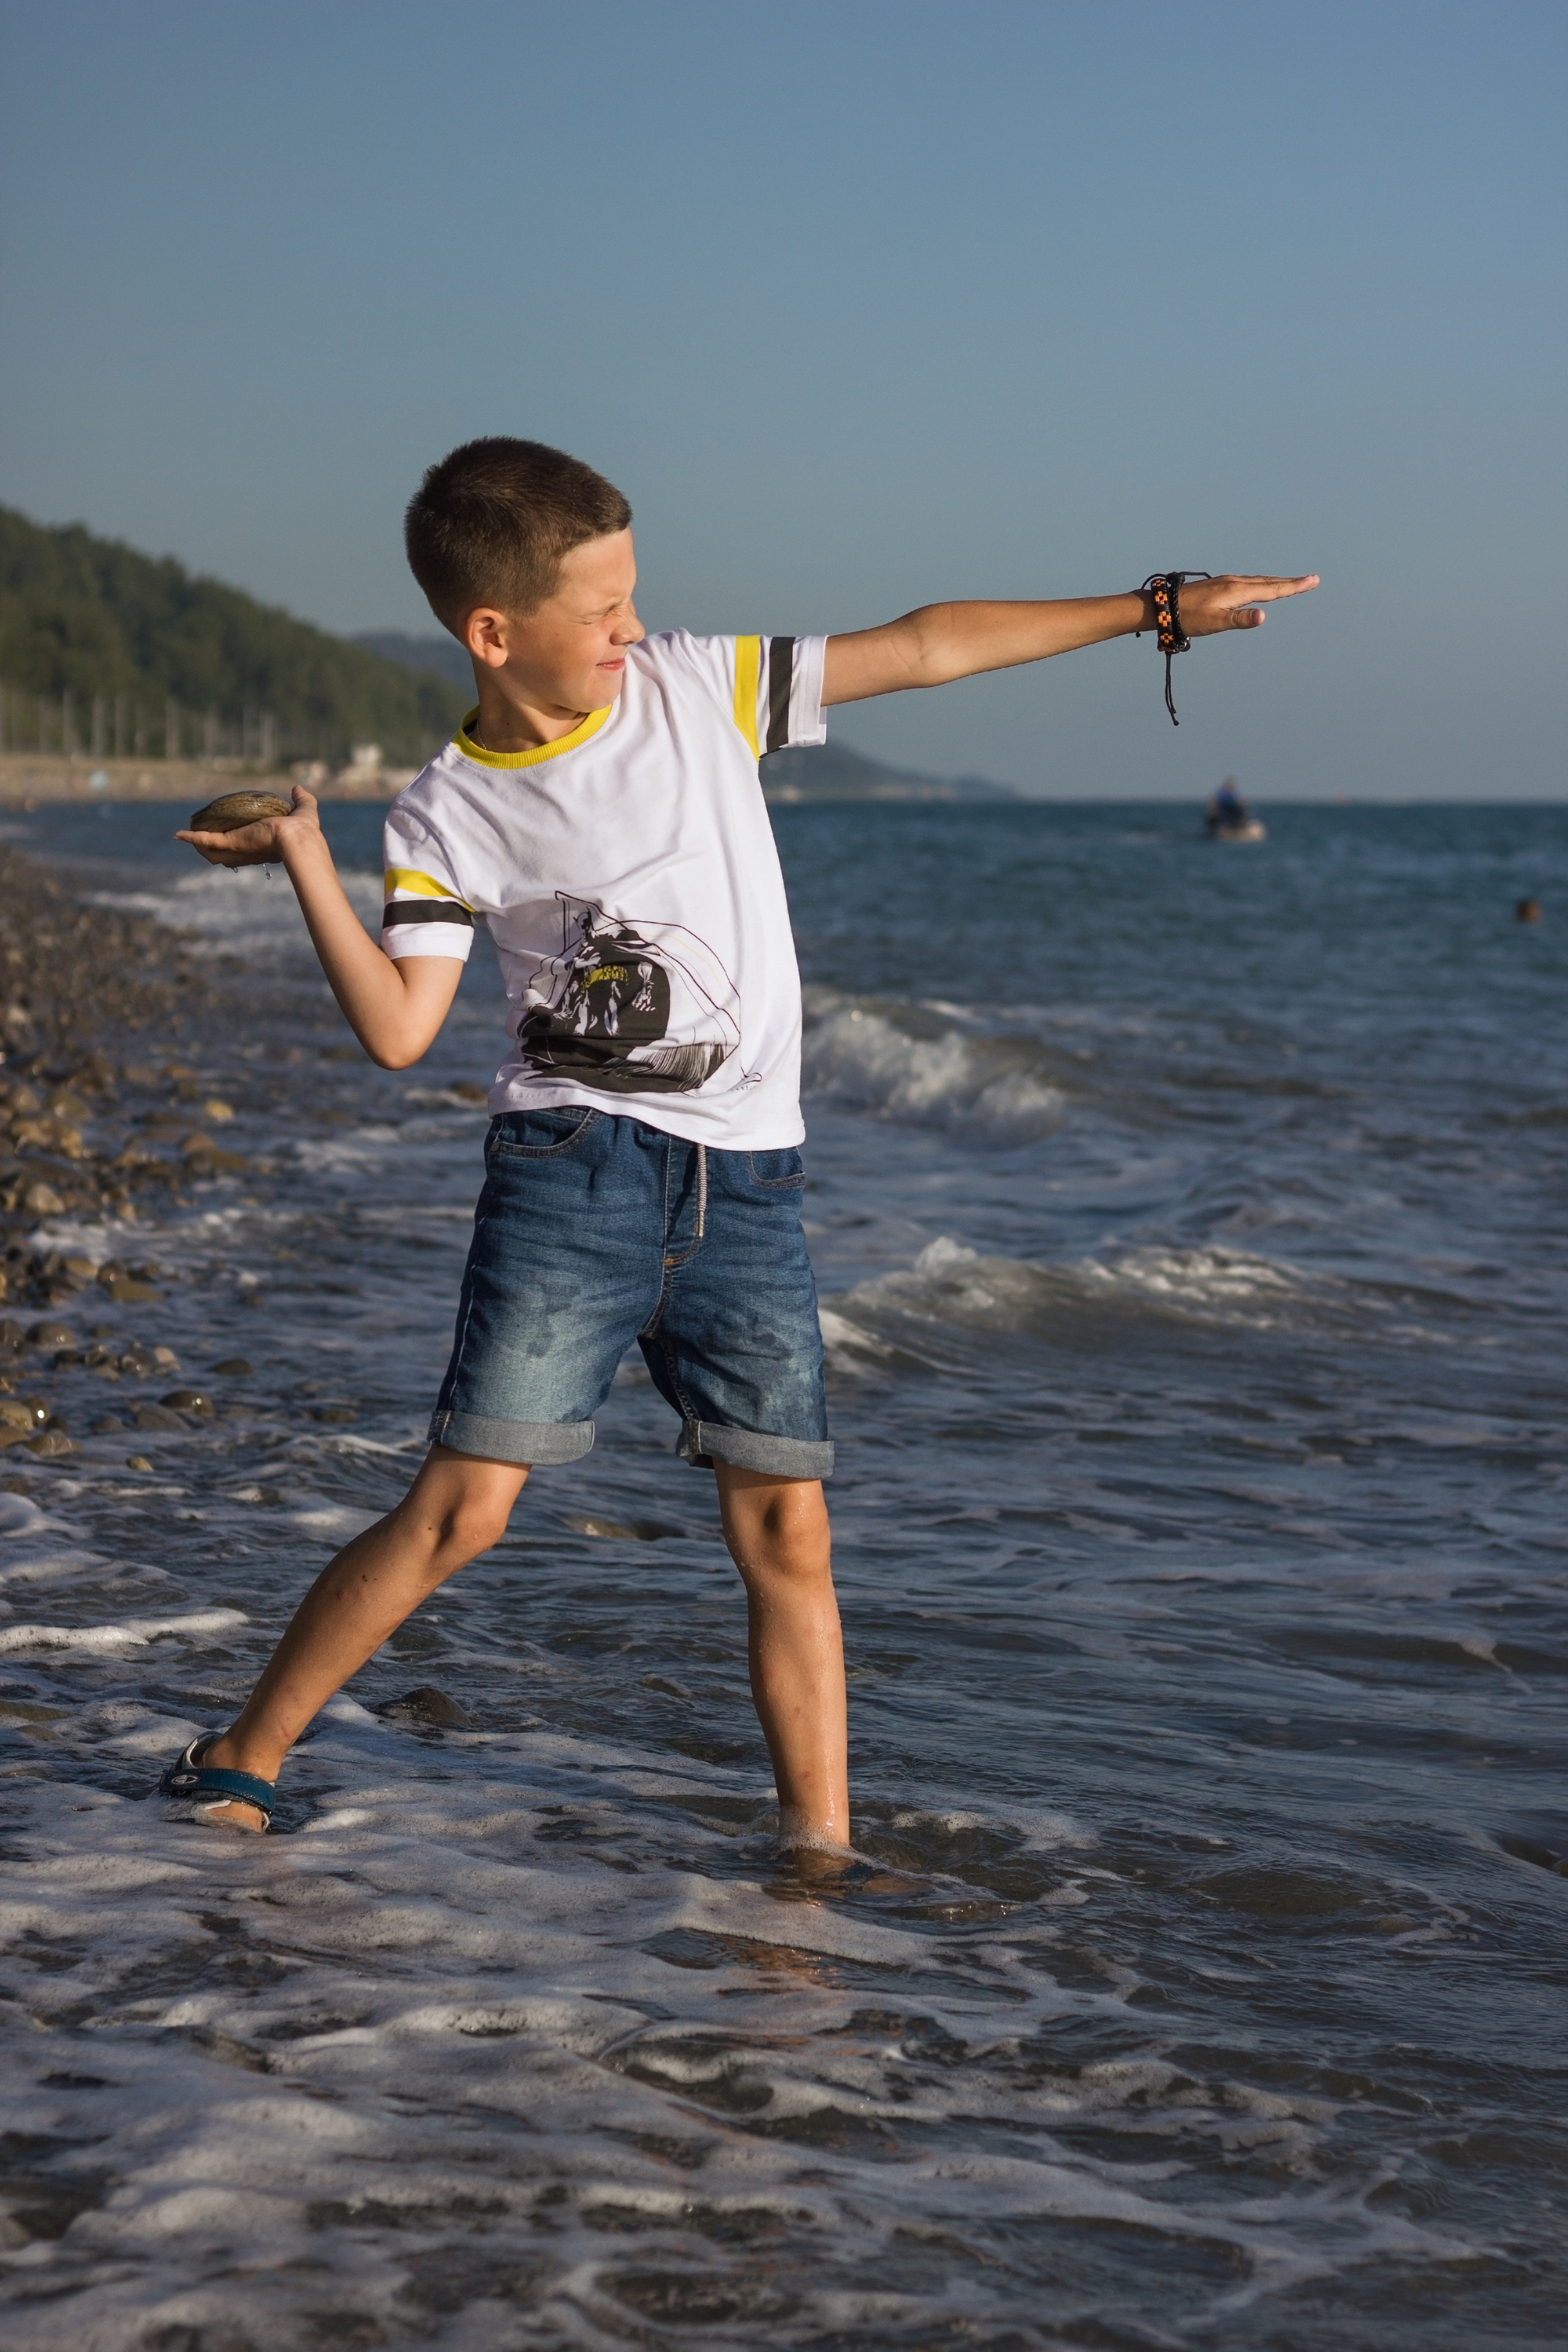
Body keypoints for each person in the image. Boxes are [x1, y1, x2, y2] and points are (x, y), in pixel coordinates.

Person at [162, 437, 1317, 1839]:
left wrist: (1144, 611)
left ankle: (817, 1857)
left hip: (748, 1191)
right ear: (493, 632)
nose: (631, 628)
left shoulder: (694, 689)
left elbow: (924, 646)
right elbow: (404, 1029)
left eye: (632, 597)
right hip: (568, 1184)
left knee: (788, 1530)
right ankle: (246, 1751)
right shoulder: (446, 812)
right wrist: (305, 859)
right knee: (465, 1511)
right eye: (602, 612)